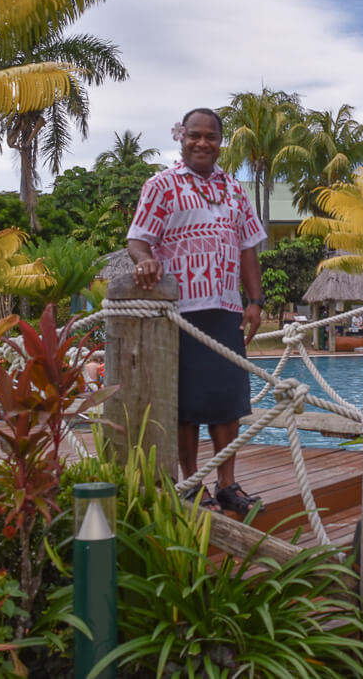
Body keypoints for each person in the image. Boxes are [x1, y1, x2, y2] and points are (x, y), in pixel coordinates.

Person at [127, 107, 266, 515]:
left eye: (211, 136)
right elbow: (139, 239)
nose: (203, 143)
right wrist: (144, 260)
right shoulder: (161, 186)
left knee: (227, 402)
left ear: (221, 142)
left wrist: (255, 302)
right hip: (179, 312)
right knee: (185, 405)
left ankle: (227, 484)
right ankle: (192, 485)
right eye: (195, 135)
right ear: (181, 137)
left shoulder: (234, 190)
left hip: (225, 308)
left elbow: (247, 249)